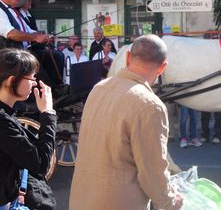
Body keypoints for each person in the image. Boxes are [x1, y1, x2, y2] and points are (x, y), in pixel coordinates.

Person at [69, 35, 183, 210]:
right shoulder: (150, 105)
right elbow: (152, 172)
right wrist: (171, 202)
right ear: (162, 68)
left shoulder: (99, 88)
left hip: (81, 200)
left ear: (128, 57)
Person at [0, 49, 57, 209]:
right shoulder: (3, 121)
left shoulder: (6, 115)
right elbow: (41, 164)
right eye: (31, 78)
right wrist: (48, 113)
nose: (34, 82)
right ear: (11, 81)